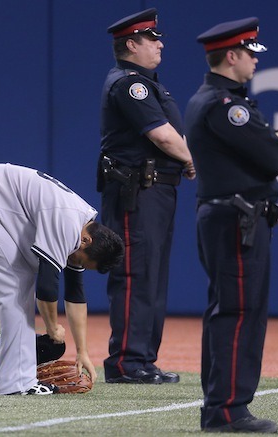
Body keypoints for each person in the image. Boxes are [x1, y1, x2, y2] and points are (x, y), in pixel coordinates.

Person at [184, 17, 278, 433]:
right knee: (239, 312)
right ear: (231, 56)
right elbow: (274, 159)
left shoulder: (206, 99)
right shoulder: (226, 106)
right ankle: (226, 410)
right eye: (250, 53)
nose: (255, 61)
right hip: (237, 218)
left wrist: (276, 141)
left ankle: (220, 405)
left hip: (226, 215)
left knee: (225, 310)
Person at [0, 163, 124, 395]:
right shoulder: (68, 220)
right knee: (17, 284)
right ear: (87, 241)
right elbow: (47, 285)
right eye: (82, 261)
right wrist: (52, 328)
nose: (74, 263)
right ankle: (18, 382)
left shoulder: (81, 225)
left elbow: (75, 293)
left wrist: (82, 351)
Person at [97, 8, 195, 384]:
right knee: (135, 274)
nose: (159, 43)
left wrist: (182, 160)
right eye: (151, 38)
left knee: (152, 276)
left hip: (156, 191)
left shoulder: (147, 82)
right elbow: (162, 135)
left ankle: (143, 359)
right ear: (131, 44)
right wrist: (190, 160)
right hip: (135, 191)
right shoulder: (129, 84)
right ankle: (126, 362)